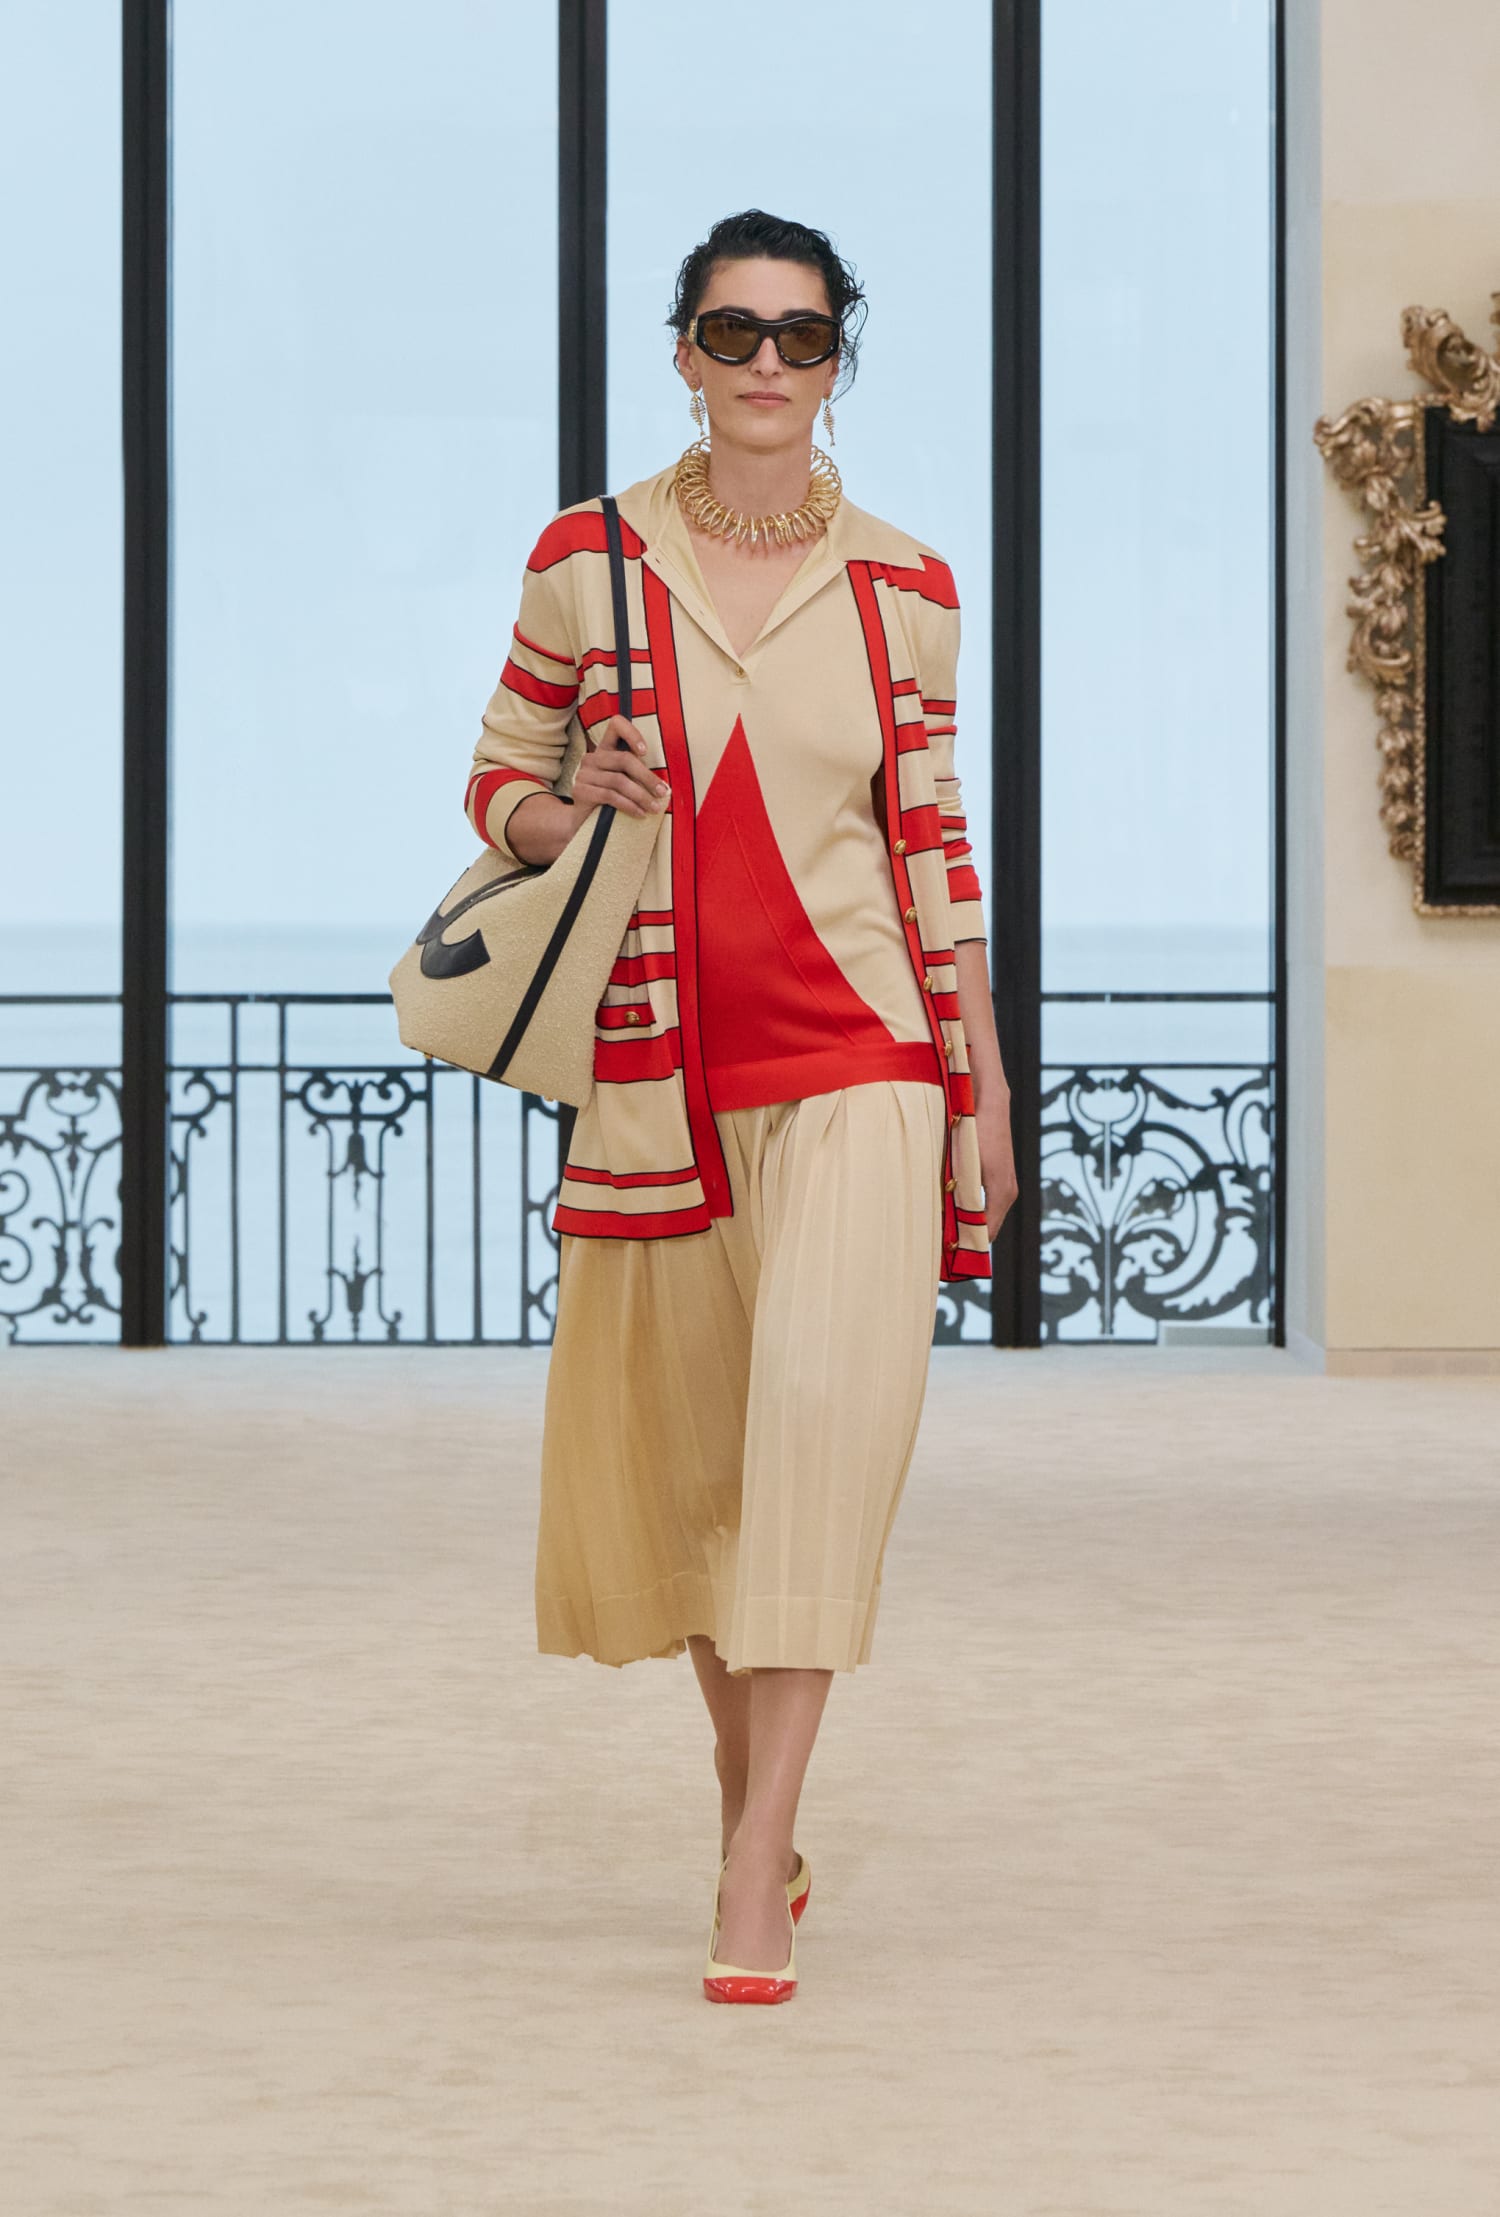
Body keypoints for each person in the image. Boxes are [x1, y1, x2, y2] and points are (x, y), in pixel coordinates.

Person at [465, 209, 1017, 2002]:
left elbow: (935, 853)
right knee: (710, 1475)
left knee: (818, 1439)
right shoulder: (589, 561)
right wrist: (578, 800)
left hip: (865, 1062)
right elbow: (500, 784)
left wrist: (983, 1080)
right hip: (659, 1078)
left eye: (801, 334)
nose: (767, 363)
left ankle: (751, 1870)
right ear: (684, 355)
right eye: (733, 332)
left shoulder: (907, 586)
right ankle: (751, 1804)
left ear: (839, 360)